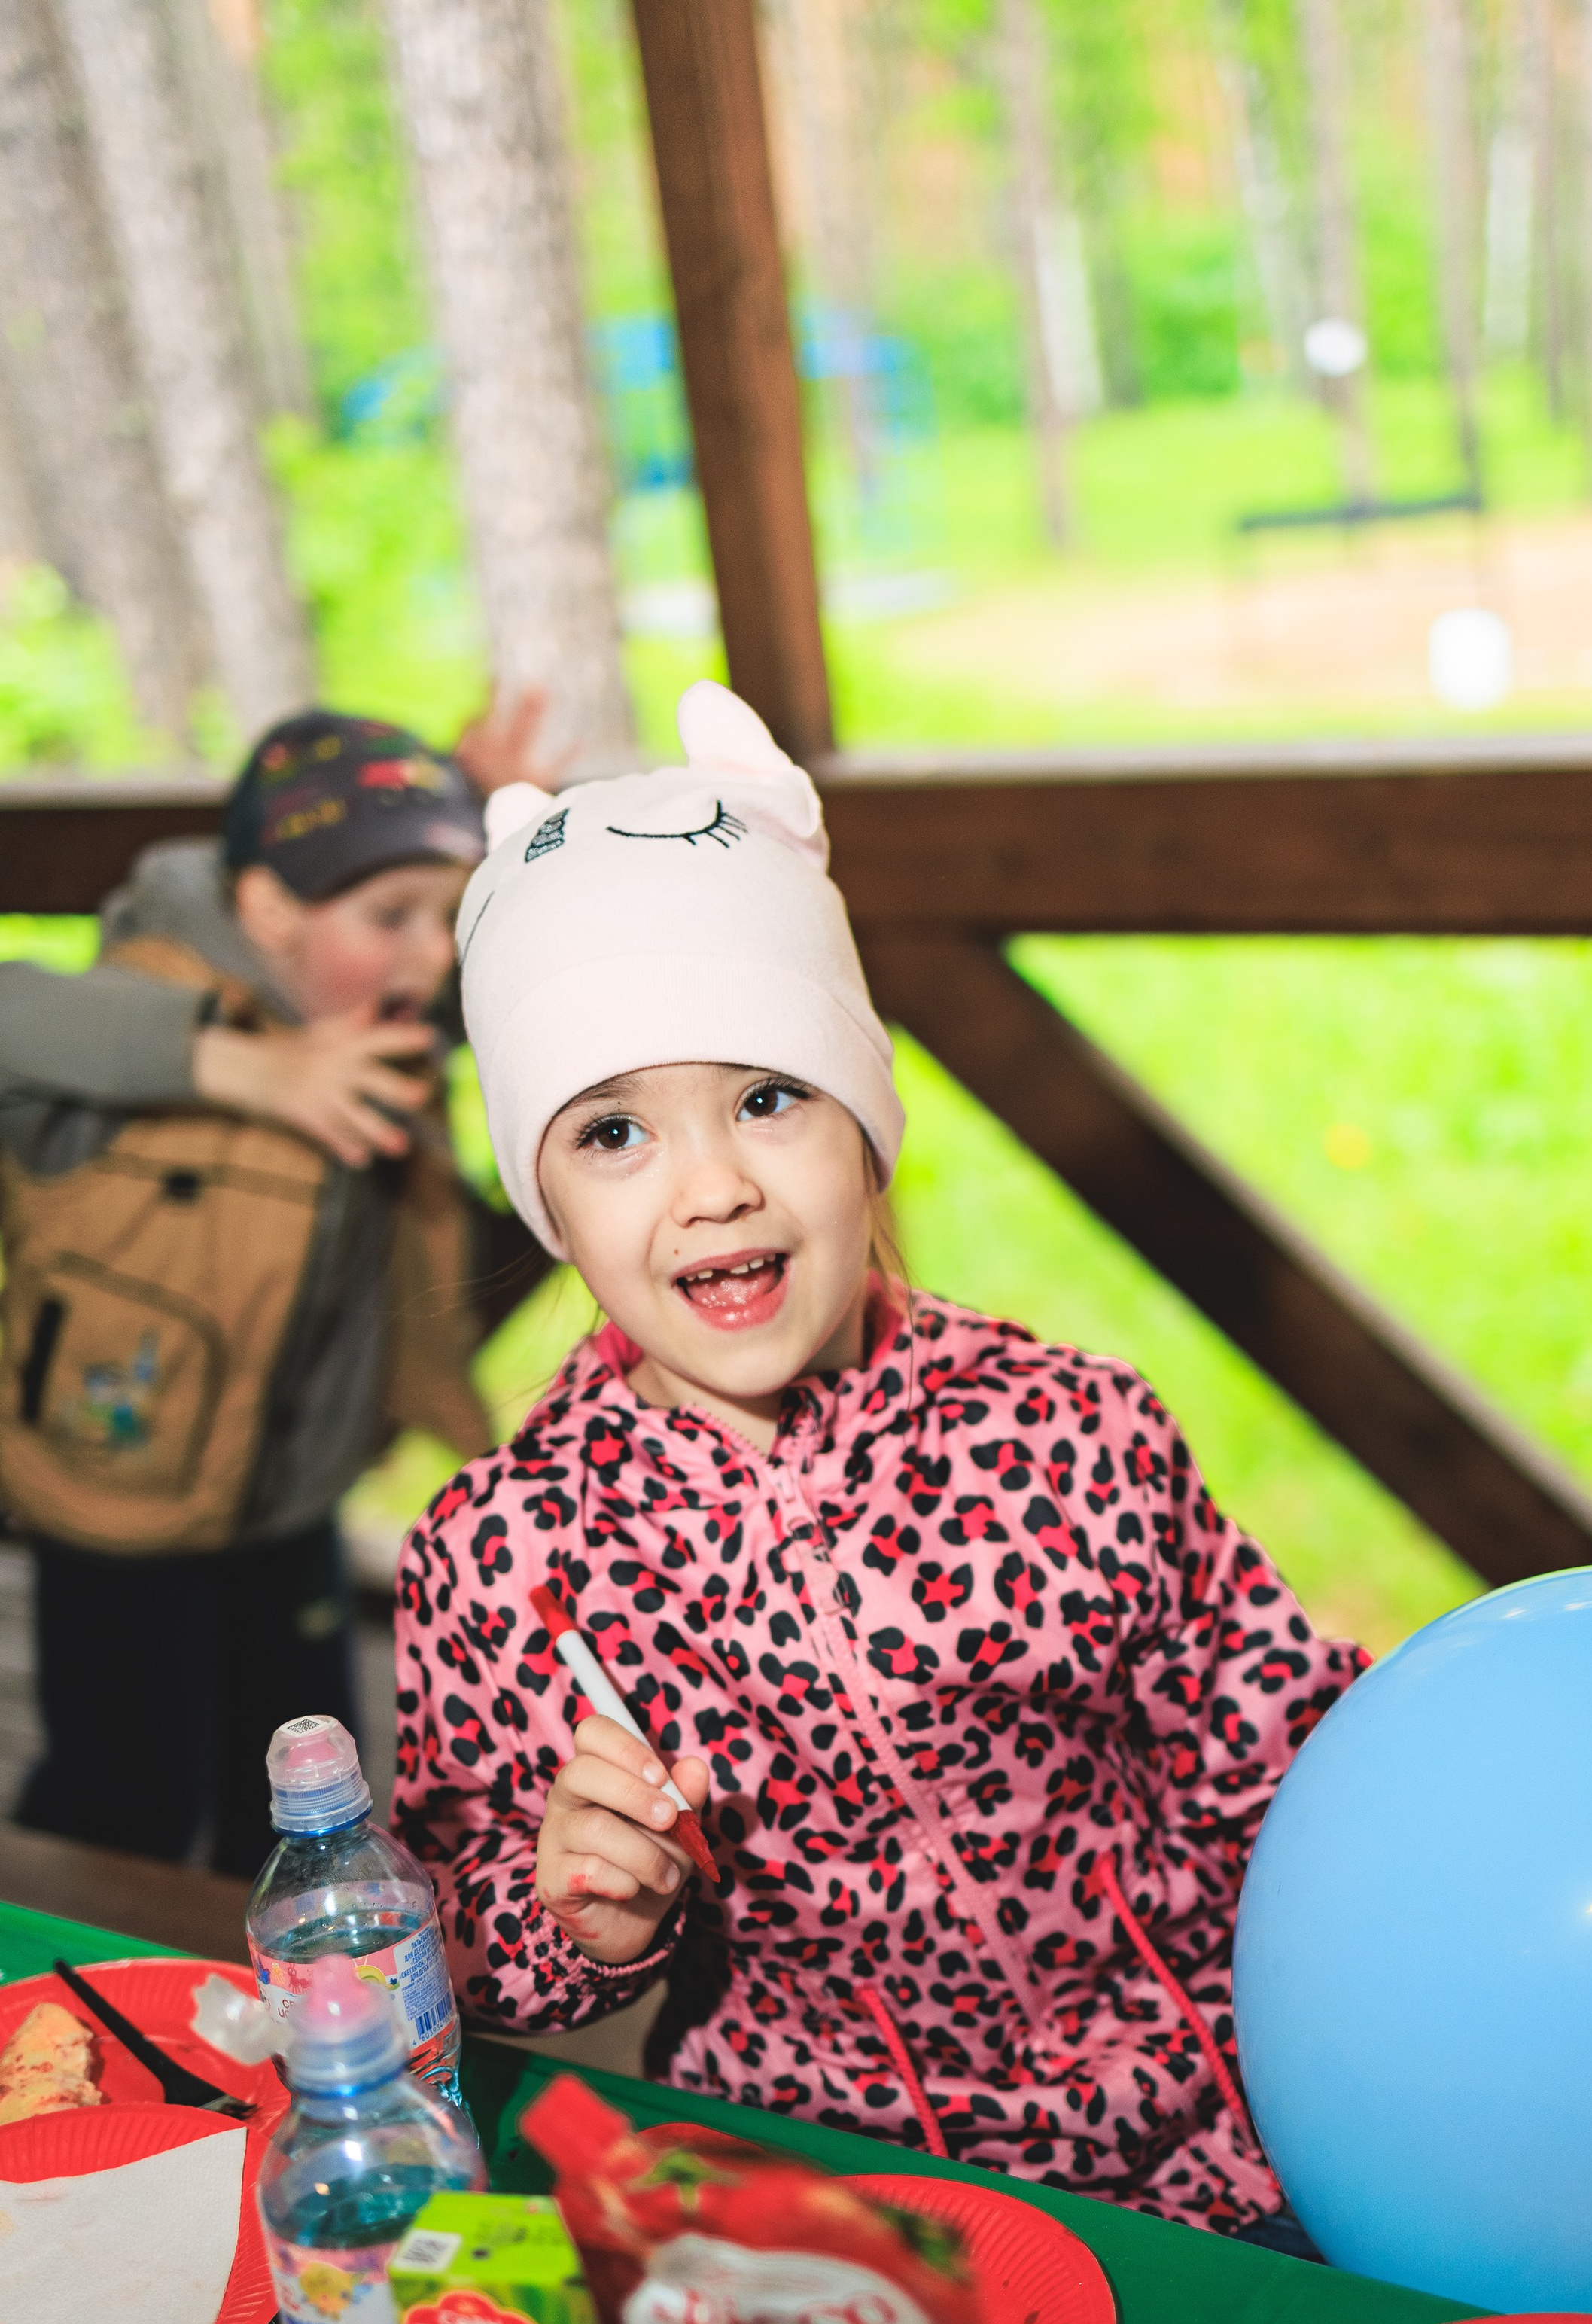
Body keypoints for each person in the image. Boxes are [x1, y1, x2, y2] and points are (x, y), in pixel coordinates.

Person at [392, 680, 1365, 2238]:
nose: (710, 1188)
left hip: (1213, 2147)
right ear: (548, 1209)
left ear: (863, 1130)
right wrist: (577, 1906)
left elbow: (1284, 1758)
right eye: (614, 1134)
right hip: (824, 2214)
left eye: (769, 1099)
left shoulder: (1067, 1429)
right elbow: (460, 1928)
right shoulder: (504, 1554)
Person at [0, 699, 545, 1877]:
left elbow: (395, 887)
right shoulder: (128, 1013)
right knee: (121, 1800)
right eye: (391, 916)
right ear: (265, 912)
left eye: (442, 917)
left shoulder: (374, 1004)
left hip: (291, 1504)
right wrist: (237, 1067)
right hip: (119, 1517)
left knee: (304, 1805)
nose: (427, 952)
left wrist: (458, 798)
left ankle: (279, 2031)